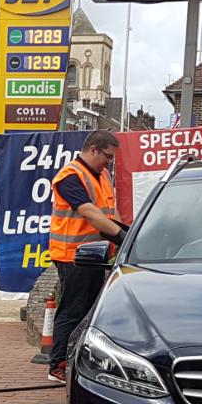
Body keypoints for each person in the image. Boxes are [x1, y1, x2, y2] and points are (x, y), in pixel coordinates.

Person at [46, 130, 128, 383]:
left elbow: (109, 211)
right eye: (108, 156)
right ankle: (57, 364)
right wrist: (124, 237)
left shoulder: (101, 174)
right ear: (93, 149)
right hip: (73, 256)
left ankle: (76, 359)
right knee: (73, 310)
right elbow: (89, 212)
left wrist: (125, 232)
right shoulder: (70, 176)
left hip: (94, 255)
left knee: (88, 311)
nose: (110, 162)